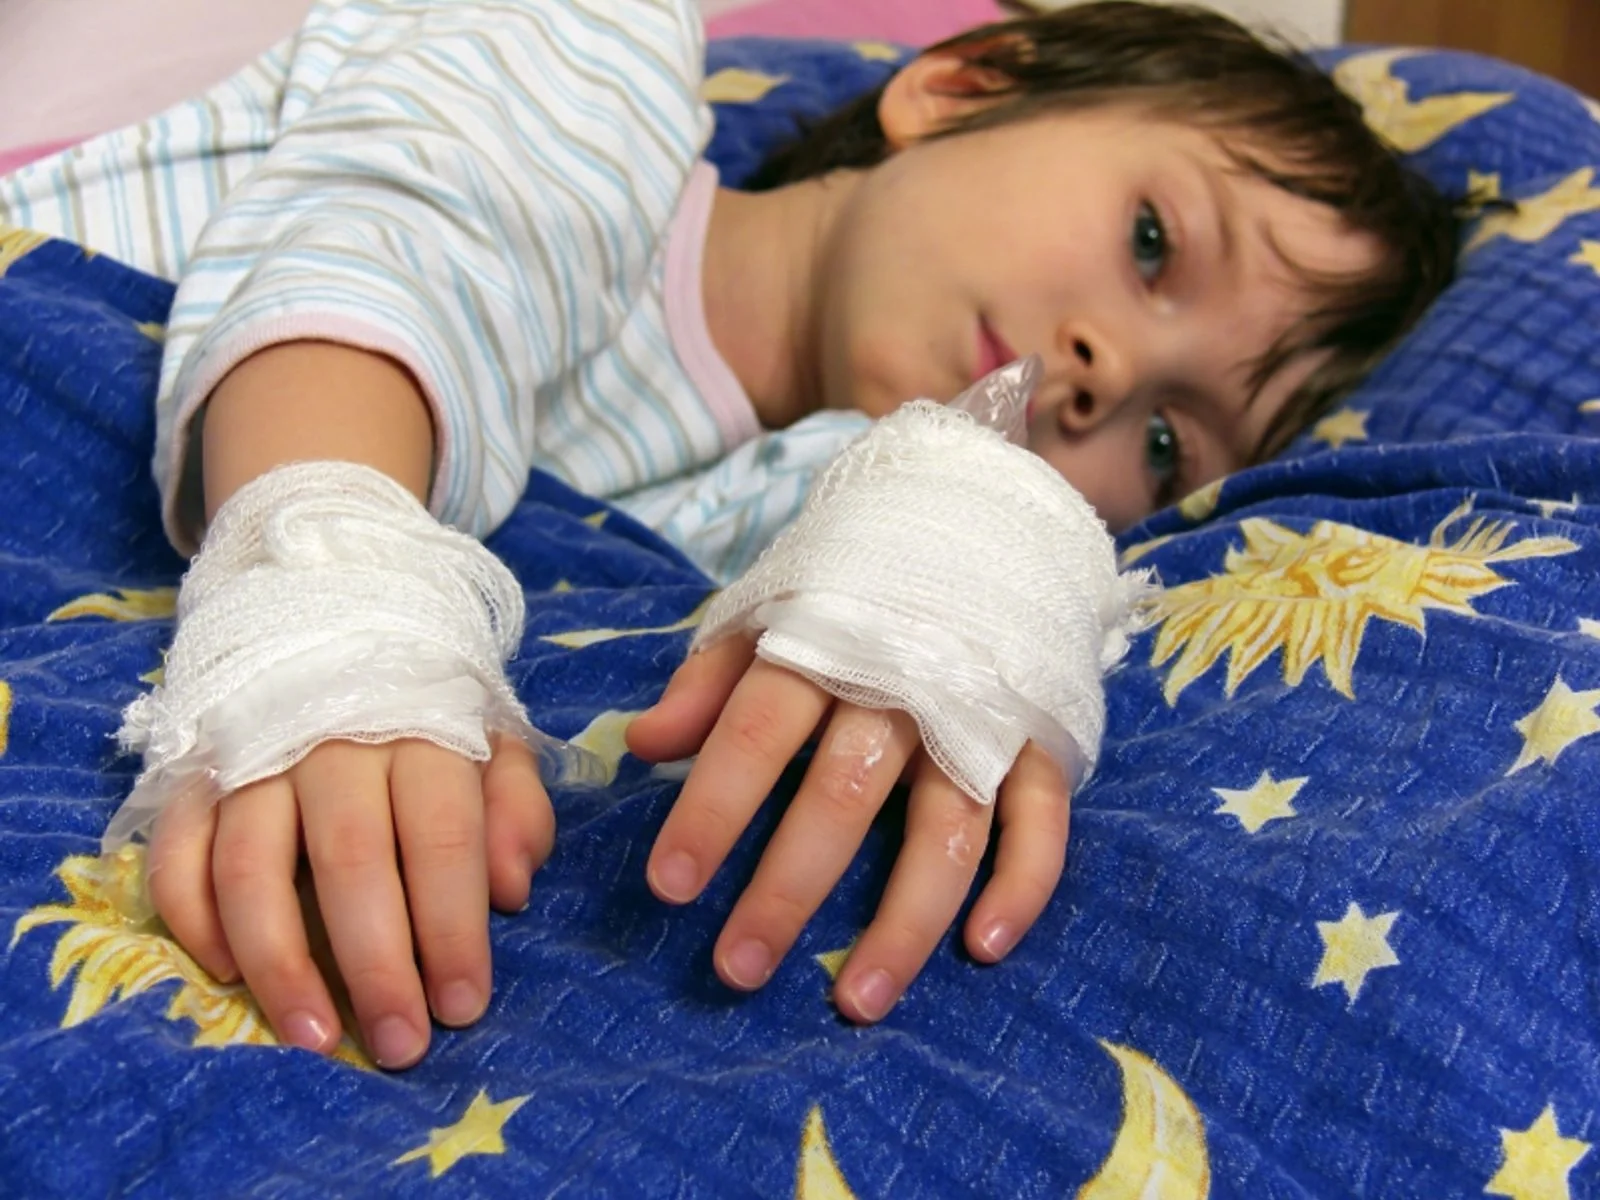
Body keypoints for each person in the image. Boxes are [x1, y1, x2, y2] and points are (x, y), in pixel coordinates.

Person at [0, 0, 1461, 1068]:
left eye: (1164, 440)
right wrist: (331, 581)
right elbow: (403, 254)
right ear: (959, 86)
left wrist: (977, 561)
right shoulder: (595, 62)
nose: (1102, 369)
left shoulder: (790, 506)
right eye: (1154, 242)